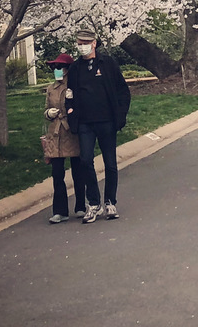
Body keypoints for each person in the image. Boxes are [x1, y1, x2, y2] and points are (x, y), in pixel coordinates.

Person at [66, 27, 132, 222]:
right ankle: (93, 203)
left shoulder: (108, 64)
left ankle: (110, 202)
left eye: (85, 44)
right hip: (85, 123)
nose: (82, 47)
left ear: (94, 44)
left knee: (110, 163)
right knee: (85, 160)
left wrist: (120, 115)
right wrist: (71, 115)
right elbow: (69, 95)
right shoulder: (76, 68)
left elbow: (123, 90)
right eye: (79, 44)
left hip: (107, 122)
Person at [42, 53, 84, 224]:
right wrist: (49, 113)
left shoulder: (75, 86)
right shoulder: (51, 88)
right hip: (56, 134)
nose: (56, 70)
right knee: (57, 173)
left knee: (78, 171)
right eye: (54, 68)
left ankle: (81, 205)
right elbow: (46, 109)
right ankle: (60, 210)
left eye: (60, 67)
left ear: (68, 70)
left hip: (72, 131)